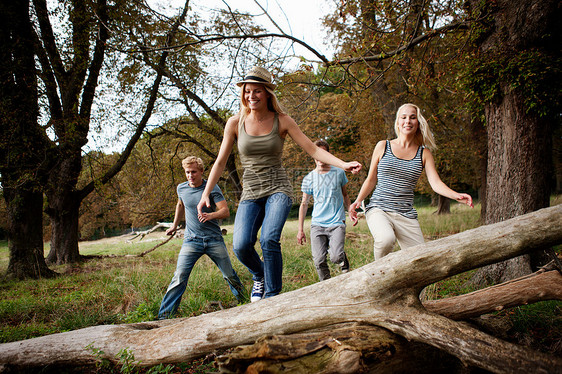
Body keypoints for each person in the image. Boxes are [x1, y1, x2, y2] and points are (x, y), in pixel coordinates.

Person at [197, 66, 361, 302]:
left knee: (268, 239)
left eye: (256, 91)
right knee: (241, 245)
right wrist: (206, 193)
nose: (251, 96)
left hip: (278, 189)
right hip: (251, 192)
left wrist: (343, 164)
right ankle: (260, 275)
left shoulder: (282, 121)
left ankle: (273, 297)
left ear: (267, 93)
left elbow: (313, 149)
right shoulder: (235, 123)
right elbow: (221, 161)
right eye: (247, 91)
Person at [349, 103, 473, 260]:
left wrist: (456, 196)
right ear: (398, 122)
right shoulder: (383, 146)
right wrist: (358, 201)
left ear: (418, 122)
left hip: (406, 214)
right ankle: (378, 275)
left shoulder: (424, 153)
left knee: (421, 259)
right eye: (404, 117)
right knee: (386, 239)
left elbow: (435, 183)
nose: (408, 121)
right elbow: (371, 178)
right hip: (379, 208)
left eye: (412, 117)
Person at [158, 156, 245, 320]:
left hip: (213, 240)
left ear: (202, 172)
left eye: (193, 172)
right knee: (179, 277)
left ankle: (244, 301)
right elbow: (180, 204)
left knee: (229, 275)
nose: (190, 176)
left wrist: (210, 215)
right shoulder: (181, 188)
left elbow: (225, 211)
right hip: (191, 240)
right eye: (187, 172)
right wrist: (174, 225)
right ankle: (165, 316)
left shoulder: (212, 188)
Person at [297, 139, 354, 281]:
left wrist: (350, 210)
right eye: (317, 153)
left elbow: (345, 195)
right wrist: (300, 230)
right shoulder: (309, 178)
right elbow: (304, 204)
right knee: (319, 260)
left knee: (335, 256)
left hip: (336, 222)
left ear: (328, 154)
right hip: (317, 224)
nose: (320, 157)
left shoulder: (339, 172)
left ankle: (342, 259)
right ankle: (326, 286)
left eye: (324, 153)